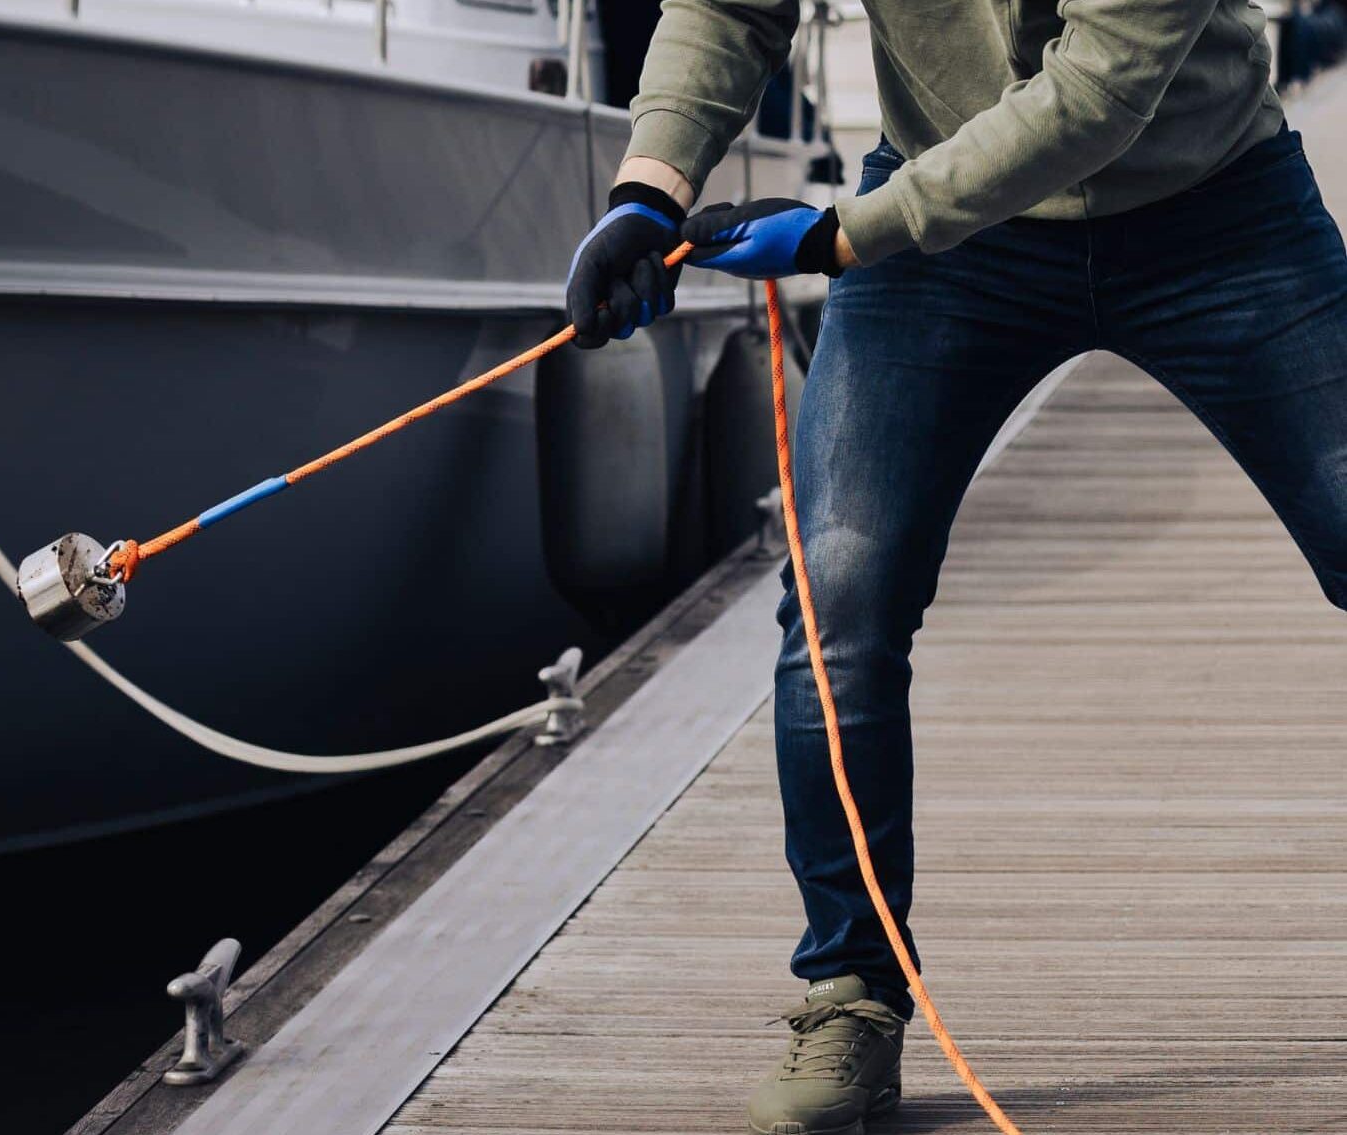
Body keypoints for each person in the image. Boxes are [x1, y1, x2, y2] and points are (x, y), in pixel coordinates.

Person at [564, 2, 1347, 1132]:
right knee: (839, 597)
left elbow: (1098, 95)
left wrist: (840, 236)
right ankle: (851, 996)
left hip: (1213, 211)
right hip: (945, 230)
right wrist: (650, 191)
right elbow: (732, 8)